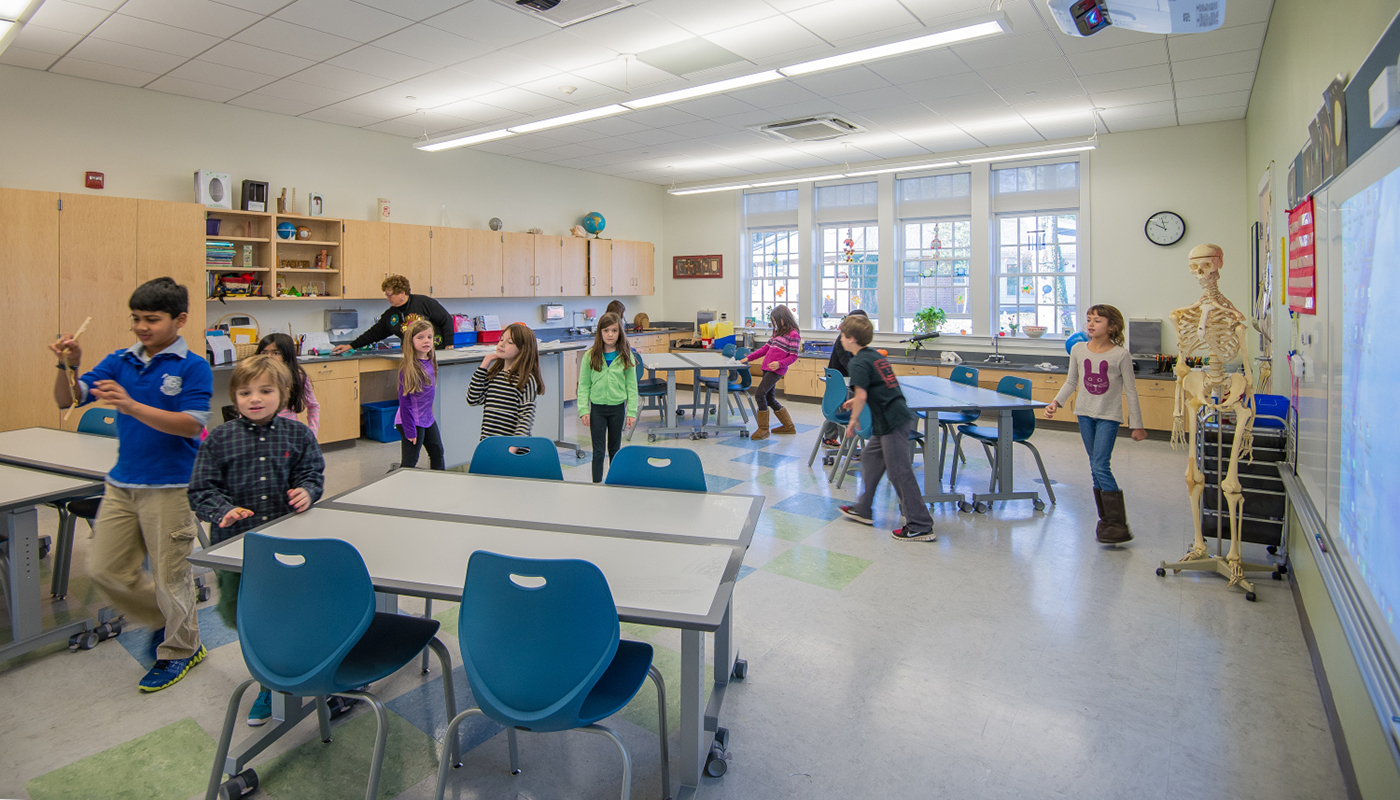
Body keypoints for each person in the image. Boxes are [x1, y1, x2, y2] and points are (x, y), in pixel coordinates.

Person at [49, 277, 213, 692]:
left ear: (180, 320)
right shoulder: (119, 360)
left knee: (171, 577)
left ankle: (182, 647)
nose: (142, 327)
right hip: (123, 485)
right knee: (104, 569)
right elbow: (67, 399)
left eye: (152, 320)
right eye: (136, 319)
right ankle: (165, 617)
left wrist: (131, 405)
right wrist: (68, 364)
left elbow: (191, 425)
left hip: (171, 487)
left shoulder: (192, 366)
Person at [188, 355, 324, 726]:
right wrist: (221, 510)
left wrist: (307, 492)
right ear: (234, 396)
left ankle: (276, 683)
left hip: (287, 548)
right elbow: (201, 489)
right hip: (237, 551)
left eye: (265, 390)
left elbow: (312, 472)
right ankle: (269, 670)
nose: (255, 399)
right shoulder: (219, 439)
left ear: (283, 394)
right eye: (245, 392)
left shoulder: (297, 435)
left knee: (286, 613)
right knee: (242, 616)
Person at [1045, 304, 1147, 544]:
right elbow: (1071, 382)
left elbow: (1131, 391)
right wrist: (1056, 403)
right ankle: (1107, 522)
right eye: (1089, 319)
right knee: (1094, 467)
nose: (1090, 324)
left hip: (1108, 417)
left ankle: (1118, 524)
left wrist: (1137, 424)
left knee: (1101, 465)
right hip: (1084, 415)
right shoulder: (1079, 349)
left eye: (1097, 320)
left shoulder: (1120, 355)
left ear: (1112, 327)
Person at [836, 314, 936, 541]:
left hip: (892, 421)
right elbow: (877, 386)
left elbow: (862, 393)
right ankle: (863, 508)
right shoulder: (873, 355)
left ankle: (920, 524)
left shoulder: (858, 361)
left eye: (842, 335)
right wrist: (857, 400)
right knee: (871, 458)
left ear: (851, 339)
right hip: (891, 417)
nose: (840, 339)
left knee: (899, 472)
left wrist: (852, 421)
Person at [577, 312, 638, 483]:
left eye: (614, 330)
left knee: (615, 449)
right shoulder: (590, 355)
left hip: (617, 408)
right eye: (606, 330)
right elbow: (583, 385)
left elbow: (632, 386)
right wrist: (583, 409)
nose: (610, 335)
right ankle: (596, 484)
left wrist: (631, 412)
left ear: (620, 333)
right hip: (597, 409)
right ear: (600, 332)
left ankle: (614, 483)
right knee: (598, 451)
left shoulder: (626, 355)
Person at [331, 274, 453, 355]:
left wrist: (449, 346)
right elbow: (374, 333)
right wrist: (350, 346)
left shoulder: (424, 303)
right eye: (386, 295)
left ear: (402, 293)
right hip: (412, 356)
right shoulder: (391, 314)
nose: (388, 298)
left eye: (390, 295)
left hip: (436, 353)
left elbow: (446, 320)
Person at [466, 322, 544, 447]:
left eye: (510, 342)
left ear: (522, 349)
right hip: (489, 444)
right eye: (501, 339)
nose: (501, 344)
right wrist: (483, 367)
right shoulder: (493, 374)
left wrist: (514, 447)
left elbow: (526, 418)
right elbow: (472, 399)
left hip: (512, 449)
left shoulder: (526, 379)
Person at [743, 305, 801, 440]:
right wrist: (747, 358)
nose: (775, 324)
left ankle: (763, 429)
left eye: (776, 321)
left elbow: (793, 356)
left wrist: (779, 364)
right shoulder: (777, 333)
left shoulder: (794, 335)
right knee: (770, 398)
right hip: (767, 368)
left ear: (784, 318)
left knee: (759, 394)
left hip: (776, 371)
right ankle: (788, 426)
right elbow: (764, 349)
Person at [397, 319, 445, 470]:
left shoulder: (430, 360)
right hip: (411, 420)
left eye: (429, 337)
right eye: (420, 337)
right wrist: (410, 429)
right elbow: (404, 403)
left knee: (437, 452)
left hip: (427, 418)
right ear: (411, 342)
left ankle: (439, 484)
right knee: (410, 462)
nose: (426, 341)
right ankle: (402, 489)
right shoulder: (409, 368)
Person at [258, 333, 319, 434]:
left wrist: (313, 431)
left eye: (276, 353)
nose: (269, 357)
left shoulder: (298, 377)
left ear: (287, 355)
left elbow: (313, 406)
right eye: (264, 353)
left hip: (289, 435)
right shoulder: (254, 379)